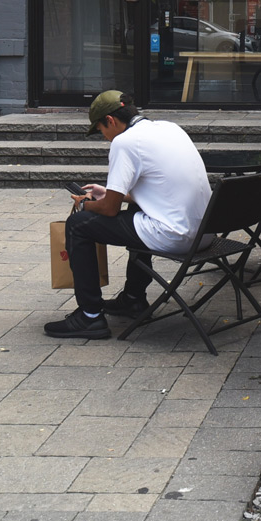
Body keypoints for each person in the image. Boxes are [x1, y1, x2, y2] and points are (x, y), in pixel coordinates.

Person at [46, 90, 211, 339]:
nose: (104, 137)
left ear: (110, 121)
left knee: (78, 224)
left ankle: (90, 316)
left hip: (177, 235)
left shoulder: (125, 142)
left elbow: (109, 210)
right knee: (138, 207)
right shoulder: (169, 128)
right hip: (206, 231)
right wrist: (111, 192)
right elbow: (158, 192)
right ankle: (133, 299)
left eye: (101, 130)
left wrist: (84, 204)